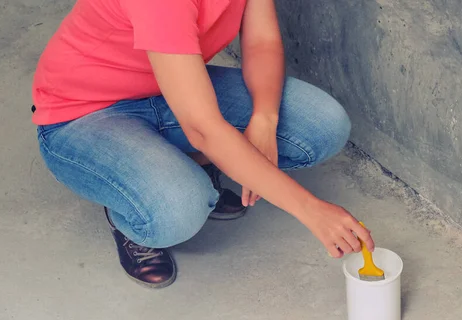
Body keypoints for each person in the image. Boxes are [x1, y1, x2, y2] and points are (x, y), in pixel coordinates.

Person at [32, 0, 375, 289]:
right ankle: (130, 206)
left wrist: (264, 120)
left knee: (321, 124)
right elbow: (203, 128)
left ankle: (180, 163)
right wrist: (311, 210)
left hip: (170, 88)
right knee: (179, 206)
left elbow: (261, 43)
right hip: (83, 113)